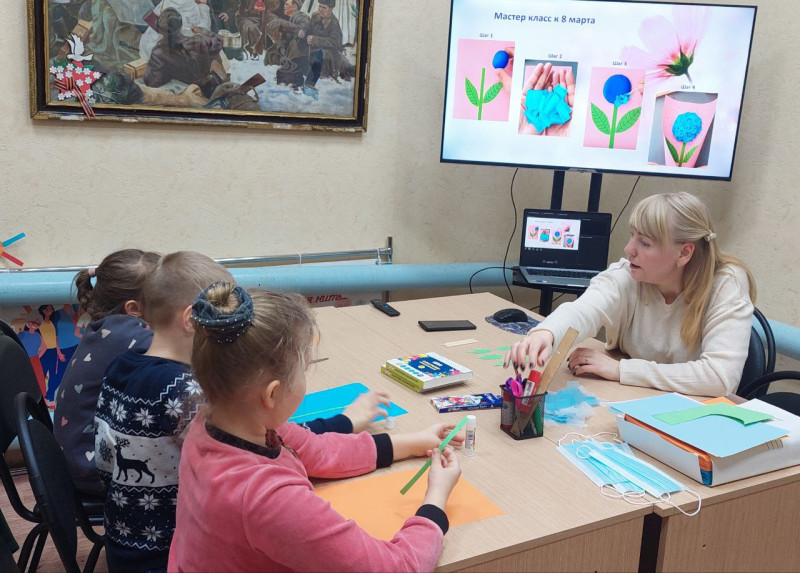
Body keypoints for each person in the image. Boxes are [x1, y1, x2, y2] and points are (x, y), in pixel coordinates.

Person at [168, 283, 463, 572]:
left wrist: (414, 442)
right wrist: (436, 499)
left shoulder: (216, 419)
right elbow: (397, 568)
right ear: (272, 394)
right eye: (304, 370)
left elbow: (319, 450)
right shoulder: (269, 499)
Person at [505, 192, 756, 397]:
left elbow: (719, 377)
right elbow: (583, 310)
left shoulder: (727, 285)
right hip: (637, 400)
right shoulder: (629, 274)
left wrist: (622, 370)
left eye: (645, 243)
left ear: (684, 253)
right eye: (632, 236)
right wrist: (545, 334)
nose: (629, 249)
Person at [94, 251, 234, 572]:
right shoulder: (182, 391)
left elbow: (104, 464)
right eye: (224, 317)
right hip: (170, 554)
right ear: (190, 320)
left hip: (122, 545)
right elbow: (244, 453)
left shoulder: (120, 366)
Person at [55, 249, 162, 498]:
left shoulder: (109, 328)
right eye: (168, 295)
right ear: (134, 308)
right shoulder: (134, 336)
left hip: (76, 458)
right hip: (93, 470)